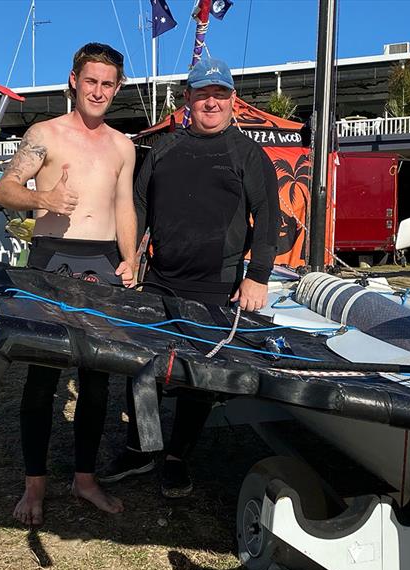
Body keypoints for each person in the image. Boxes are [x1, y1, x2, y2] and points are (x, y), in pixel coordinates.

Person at [100, 57, 280, 498]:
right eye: (203, 95)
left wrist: (257, 276)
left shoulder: (247, 154)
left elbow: (270, 219)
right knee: (140, 364)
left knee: (200, 376)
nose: (211, 103)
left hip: (217, 285)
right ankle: (140, 447)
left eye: (220, 95)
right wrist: (129, 256)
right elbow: (137, 207)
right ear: (188, 100)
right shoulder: (163, 149)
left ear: (233, 100)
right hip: (160, 279)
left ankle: (177, 456)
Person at [0, 42, 137, 525]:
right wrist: (45, 198)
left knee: (97, 380)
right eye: (91, 80)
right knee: (43, 377)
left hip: (103, 261)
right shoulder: (45, 134)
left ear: (116, 88)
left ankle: (84, 479)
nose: (98, 91)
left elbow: (123, 207)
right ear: (74, 80)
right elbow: (3, 188)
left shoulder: (123, 145)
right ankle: (35, 485)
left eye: (108, 83)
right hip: (52, 258)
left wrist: (131, 257)